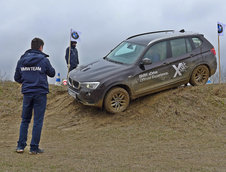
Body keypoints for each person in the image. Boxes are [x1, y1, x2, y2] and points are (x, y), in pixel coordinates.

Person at [14, 38, 55, 154]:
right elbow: (52, 73)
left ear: (31, 46)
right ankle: (34, 148)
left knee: (25, 120)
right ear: (41, 47)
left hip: (27, 93)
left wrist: (27, 80)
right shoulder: (43, 59)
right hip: (40, 93)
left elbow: (17, 78)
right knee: (38, 120)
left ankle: (20, 146)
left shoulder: (22, 60)